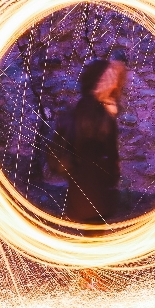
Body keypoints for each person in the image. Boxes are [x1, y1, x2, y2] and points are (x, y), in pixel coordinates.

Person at [48, 58, 127, 226]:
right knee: (93, 231)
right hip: (91, 185)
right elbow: (102, 147)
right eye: (110, 80)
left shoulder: (90, 107)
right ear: (99, 82)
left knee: (92, 232)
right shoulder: (95, 110)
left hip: (89, 185)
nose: (114, 86)